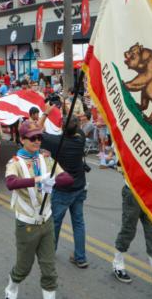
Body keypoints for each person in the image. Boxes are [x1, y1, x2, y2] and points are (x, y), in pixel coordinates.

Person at [3, 120, 73, 299]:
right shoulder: (15, 162)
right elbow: (11, 183)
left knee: (49, 269)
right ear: (22, 139)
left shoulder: (46, 158)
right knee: (23, 268)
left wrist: (56, 180)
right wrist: (39, 179)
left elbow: (67, 179)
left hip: (47, 222)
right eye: (33, 138)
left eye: (40, 137)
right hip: (27, 225)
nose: (37, 141)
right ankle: (11, 288)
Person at [40, 109, 89, 269]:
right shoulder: (80, 138)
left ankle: (50, 253)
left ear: (61, 126)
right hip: (79, 187)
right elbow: (77, 126)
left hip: (62, 189)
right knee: (79, 222)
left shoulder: (56, 142)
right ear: (76, 128)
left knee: (55, 222)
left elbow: (36, 131)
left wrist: (46, 113)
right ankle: (80, 257)